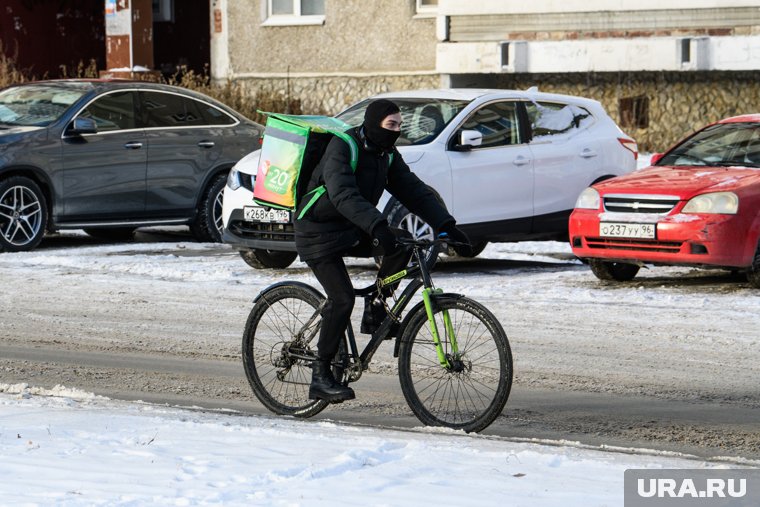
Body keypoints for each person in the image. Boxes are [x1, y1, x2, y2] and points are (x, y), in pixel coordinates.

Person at [294, 99, 471, 403]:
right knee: (342, 298)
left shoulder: (386, 154)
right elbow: (343, 194)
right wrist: (377, 226)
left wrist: (446, 224)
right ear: (374, 123)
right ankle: (320, 376)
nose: (397, 131)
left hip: (350, 227)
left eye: (400, 126)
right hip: (316, 230)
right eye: (391, 125)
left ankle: (377, 307)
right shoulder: (343, 146)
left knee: (401, 244)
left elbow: (412, 189)